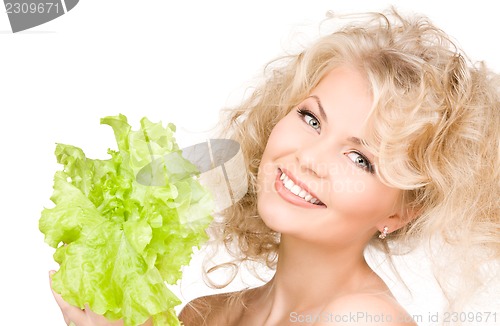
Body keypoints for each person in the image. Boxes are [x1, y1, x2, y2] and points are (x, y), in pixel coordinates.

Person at [51, 8, 500, 326]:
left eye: (360, 159)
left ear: (400, 213)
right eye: (311, 119)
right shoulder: (206, 314)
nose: (309, 157)